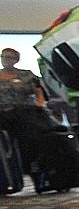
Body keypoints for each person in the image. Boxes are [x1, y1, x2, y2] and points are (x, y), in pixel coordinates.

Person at [0, 47, 51, 175]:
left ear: (16, 60)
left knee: (30, 131)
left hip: (23, 111)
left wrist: (40, 105)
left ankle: (29, 163)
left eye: (9, 57)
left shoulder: (26, 75)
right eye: (3, 57)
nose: (5, 60)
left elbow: (39, 91)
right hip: (2, 113)